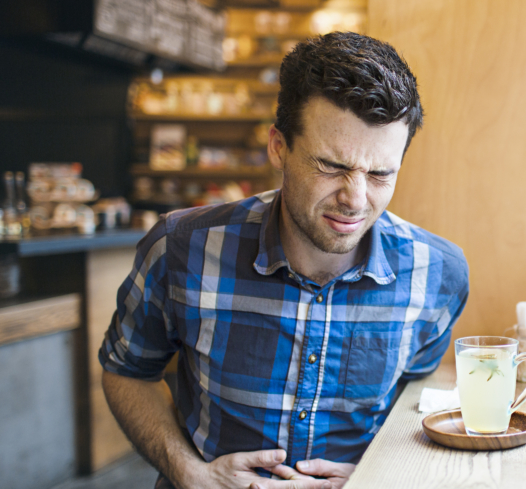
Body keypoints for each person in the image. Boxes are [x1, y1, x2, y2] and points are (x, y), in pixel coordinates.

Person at [100, 32, 469, 489]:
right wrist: (188, 472)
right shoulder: (180, 247)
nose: (355, 200)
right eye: (331, 165)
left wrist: (379, 476)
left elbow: (413, 406)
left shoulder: (438, 274)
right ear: (279, 147)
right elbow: (127, 373)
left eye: (380, 174)